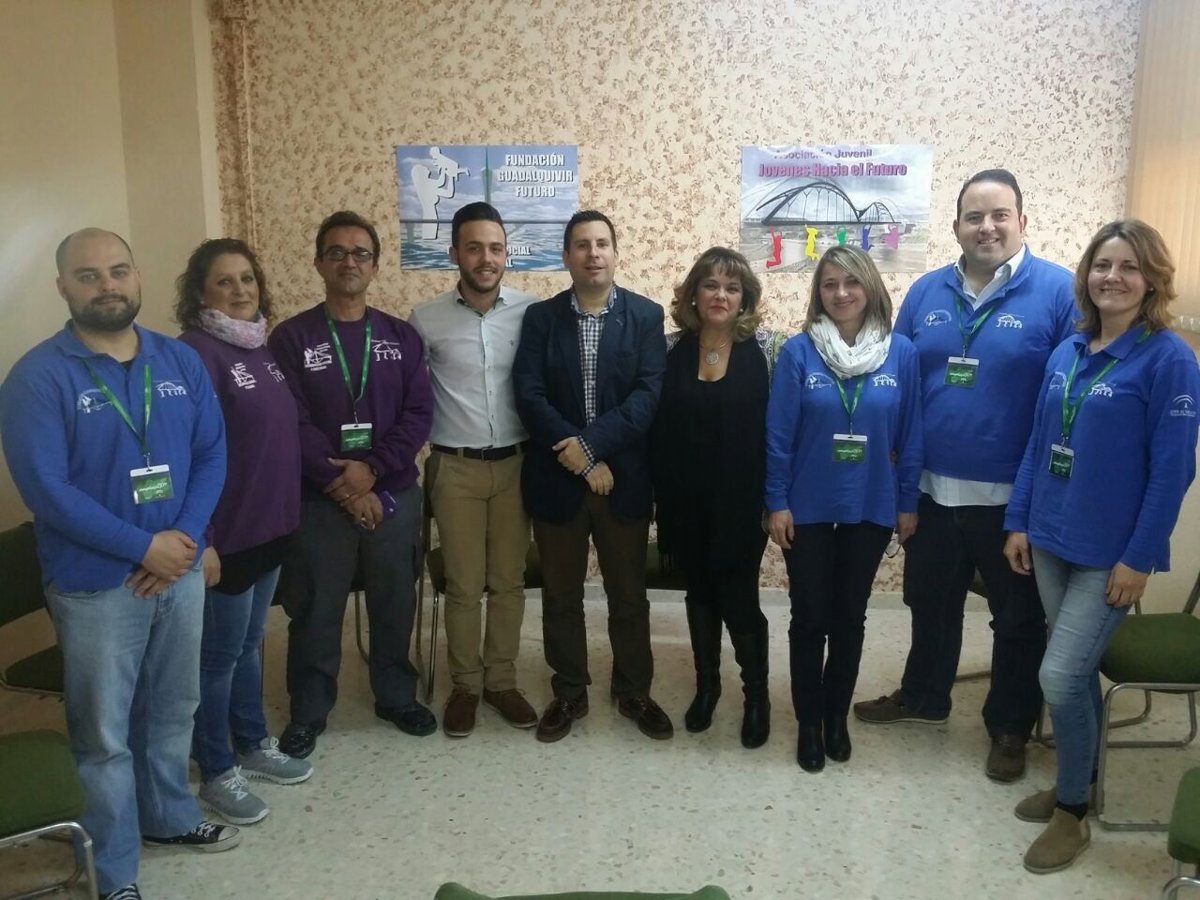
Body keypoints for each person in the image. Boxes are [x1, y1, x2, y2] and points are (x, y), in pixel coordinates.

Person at [0, 229, 238, 900]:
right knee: (104, 735)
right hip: (96, 585)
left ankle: (169, 816)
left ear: (137, 277)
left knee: (173, 708)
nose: (106, 285)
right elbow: (47, 491)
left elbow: (212, 453)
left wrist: (182, 538)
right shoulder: (37, 377)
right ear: (62, 287)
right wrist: (143, 548)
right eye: (88, 275)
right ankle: (113, 868)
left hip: (178, 570)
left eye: (118, 270)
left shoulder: (178, 360)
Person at [854, 169, 1077, 783]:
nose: (987, 227)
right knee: (929, 602)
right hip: (931, 490)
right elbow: (895, 382)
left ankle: (1008, 727)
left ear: (1022, 221)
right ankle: (924, 696)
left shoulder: (1059, 292)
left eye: (1000, 214)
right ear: (956, 226)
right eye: (974, 216)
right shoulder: (926, 292)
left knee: (1017, 620)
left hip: (1011, 500)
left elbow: (1070, 398)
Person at [1003, 219, 1199, 873]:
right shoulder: (1069, 349)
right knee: (1077, 673)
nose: (1112, 277)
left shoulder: (1169, 359)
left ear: (1153, 280)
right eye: (1102, 265)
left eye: (1129, 267)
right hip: (1051, 538)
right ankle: (1077, 785)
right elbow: (1039, 444)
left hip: (1110, 555)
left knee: (1058, 675)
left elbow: (1173, 471)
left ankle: (1072, 814)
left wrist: (1139, 557)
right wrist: (1019, 520)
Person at [269, 210, 436, 759]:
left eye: (361, 253)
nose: (349, 261)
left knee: (395, 600)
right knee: (316, 609)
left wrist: (373, 472)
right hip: (321, 500)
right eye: (336, 252)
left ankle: (395, 696)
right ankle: (309, 710)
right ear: (319, 263)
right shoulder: (291, 339)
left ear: (376, 266)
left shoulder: (401, 337)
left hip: (392, 494)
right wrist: (343, 481)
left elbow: (418, 414)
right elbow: (291, 420)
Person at [513, 209, 672, 742]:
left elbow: (647, 398)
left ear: (616, 253)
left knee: (628, 596)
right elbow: (529, 394)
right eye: (582, 244)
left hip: (621, 480)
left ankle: (633, 690)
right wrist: (580, 458)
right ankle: (569, 691)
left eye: (602, 243)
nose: (593, 253)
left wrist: (589, 447)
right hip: (557, 481)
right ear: (566, 257)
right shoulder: (540, 319)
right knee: (561, 596)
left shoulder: (645, 316)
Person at [766, 246, 923, 772]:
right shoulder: (799, 352)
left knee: (850, 617)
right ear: (819, 293)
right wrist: (776, 502)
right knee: (810, 617)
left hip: (871, 505)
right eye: (829, 283)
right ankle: (809, 722)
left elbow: (912, 436)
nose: (840, 293)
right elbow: (778, 437)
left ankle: (837, 717)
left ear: (870, 287)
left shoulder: (901, 353)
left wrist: (907, 503)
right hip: (807, 508)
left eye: (851, 282)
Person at [175, 238, 312, 825]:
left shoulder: (260, 346)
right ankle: (215, 767)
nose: (240, 290)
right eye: (225, 281)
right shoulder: (195, 353)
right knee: (218, 656)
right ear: (200, 293)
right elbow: (187, 453)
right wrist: (203, 539)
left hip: (270, 528)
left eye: (248, 279)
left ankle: (253, 743)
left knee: (250, 644)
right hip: (227, 538)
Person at [409, 203, 541, 738]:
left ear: (507, 254)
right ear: (454, 254)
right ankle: (465, 686)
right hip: (455, 468)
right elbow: (409, 398)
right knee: (463, 585)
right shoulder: (425, 319)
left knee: (508, 582)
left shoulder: (531, 313)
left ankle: (501, 682)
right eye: (474, 248)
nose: (486, 258)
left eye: (495, 248)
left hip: (516, 465)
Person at [650, 246, 785, 748]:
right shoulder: (667, 350)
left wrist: (778, 499)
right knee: (699, 593)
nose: (721, 295)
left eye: (732, 287)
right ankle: (707, 687)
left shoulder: (770, 350)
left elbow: (781, 432)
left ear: (745, 297)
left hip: (741, 503)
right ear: (693, 294)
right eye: (711, 285)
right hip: (683, 502)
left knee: (738, 595)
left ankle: (756, 697)